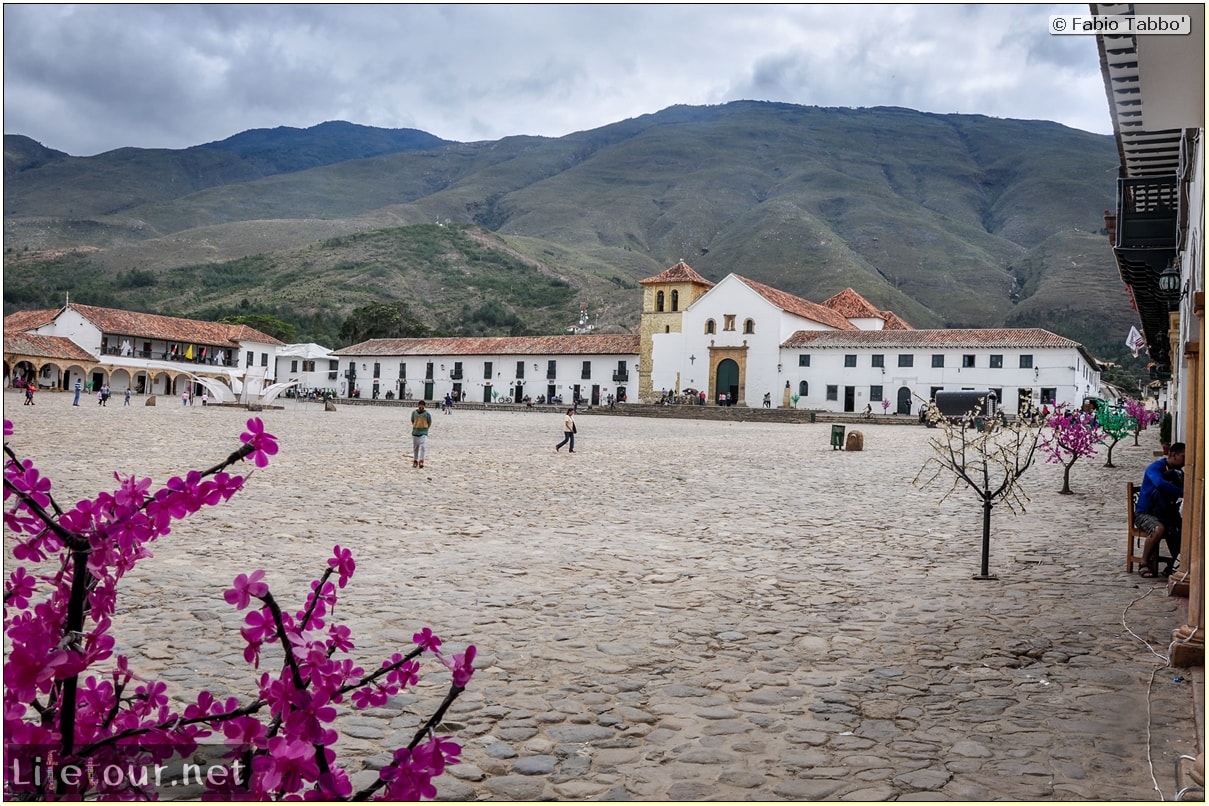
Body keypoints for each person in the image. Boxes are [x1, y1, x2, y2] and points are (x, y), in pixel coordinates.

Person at [1134, 442, 1186, 578]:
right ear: (1174, 455)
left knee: (1181, 529)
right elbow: (1160, 484)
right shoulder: (1155, 468)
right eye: (1183, 457)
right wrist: (1183, 492)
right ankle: (1144, 563)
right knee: (1159, 528)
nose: (1185, 461)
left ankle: (1174, 564)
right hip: (1145, 513)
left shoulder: (1179, 473)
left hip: (1165, 512)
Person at [410, 400, 432, 469]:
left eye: (423, 405)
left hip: (423, 432)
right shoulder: (414, 413)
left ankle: (421, 460)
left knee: (423, 446)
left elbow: (429, 422)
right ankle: (415, 460)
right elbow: (412, 420)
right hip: (415, 432)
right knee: (415, 448)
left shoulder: (427, 414)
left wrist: (425, 428)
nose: (421, 407)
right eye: (420, 405)